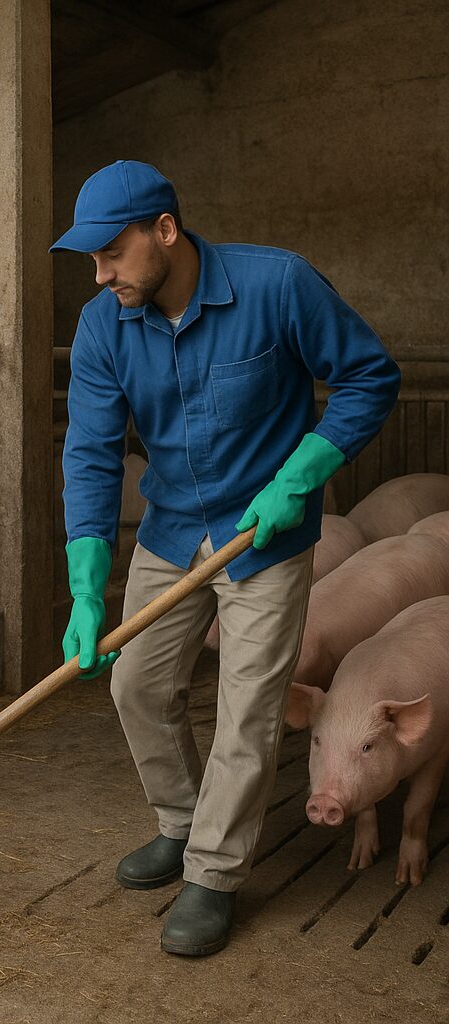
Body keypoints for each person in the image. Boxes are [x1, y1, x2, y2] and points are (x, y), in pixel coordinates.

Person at [50, 160, 400, 957]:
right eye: (91, 261)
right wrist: (84, 586)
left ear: (164, 231)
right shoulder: (105, 325)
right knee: (137, 683)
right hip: (171, 529)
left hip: (264, 533)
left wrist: (301, 475)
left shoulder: (276, 285)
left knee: (248, 705)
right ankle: (180, 823)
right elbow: (93, 453)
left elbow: (369, 376)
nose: (100, 275)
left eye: (110, 253)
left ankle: (212, 872)